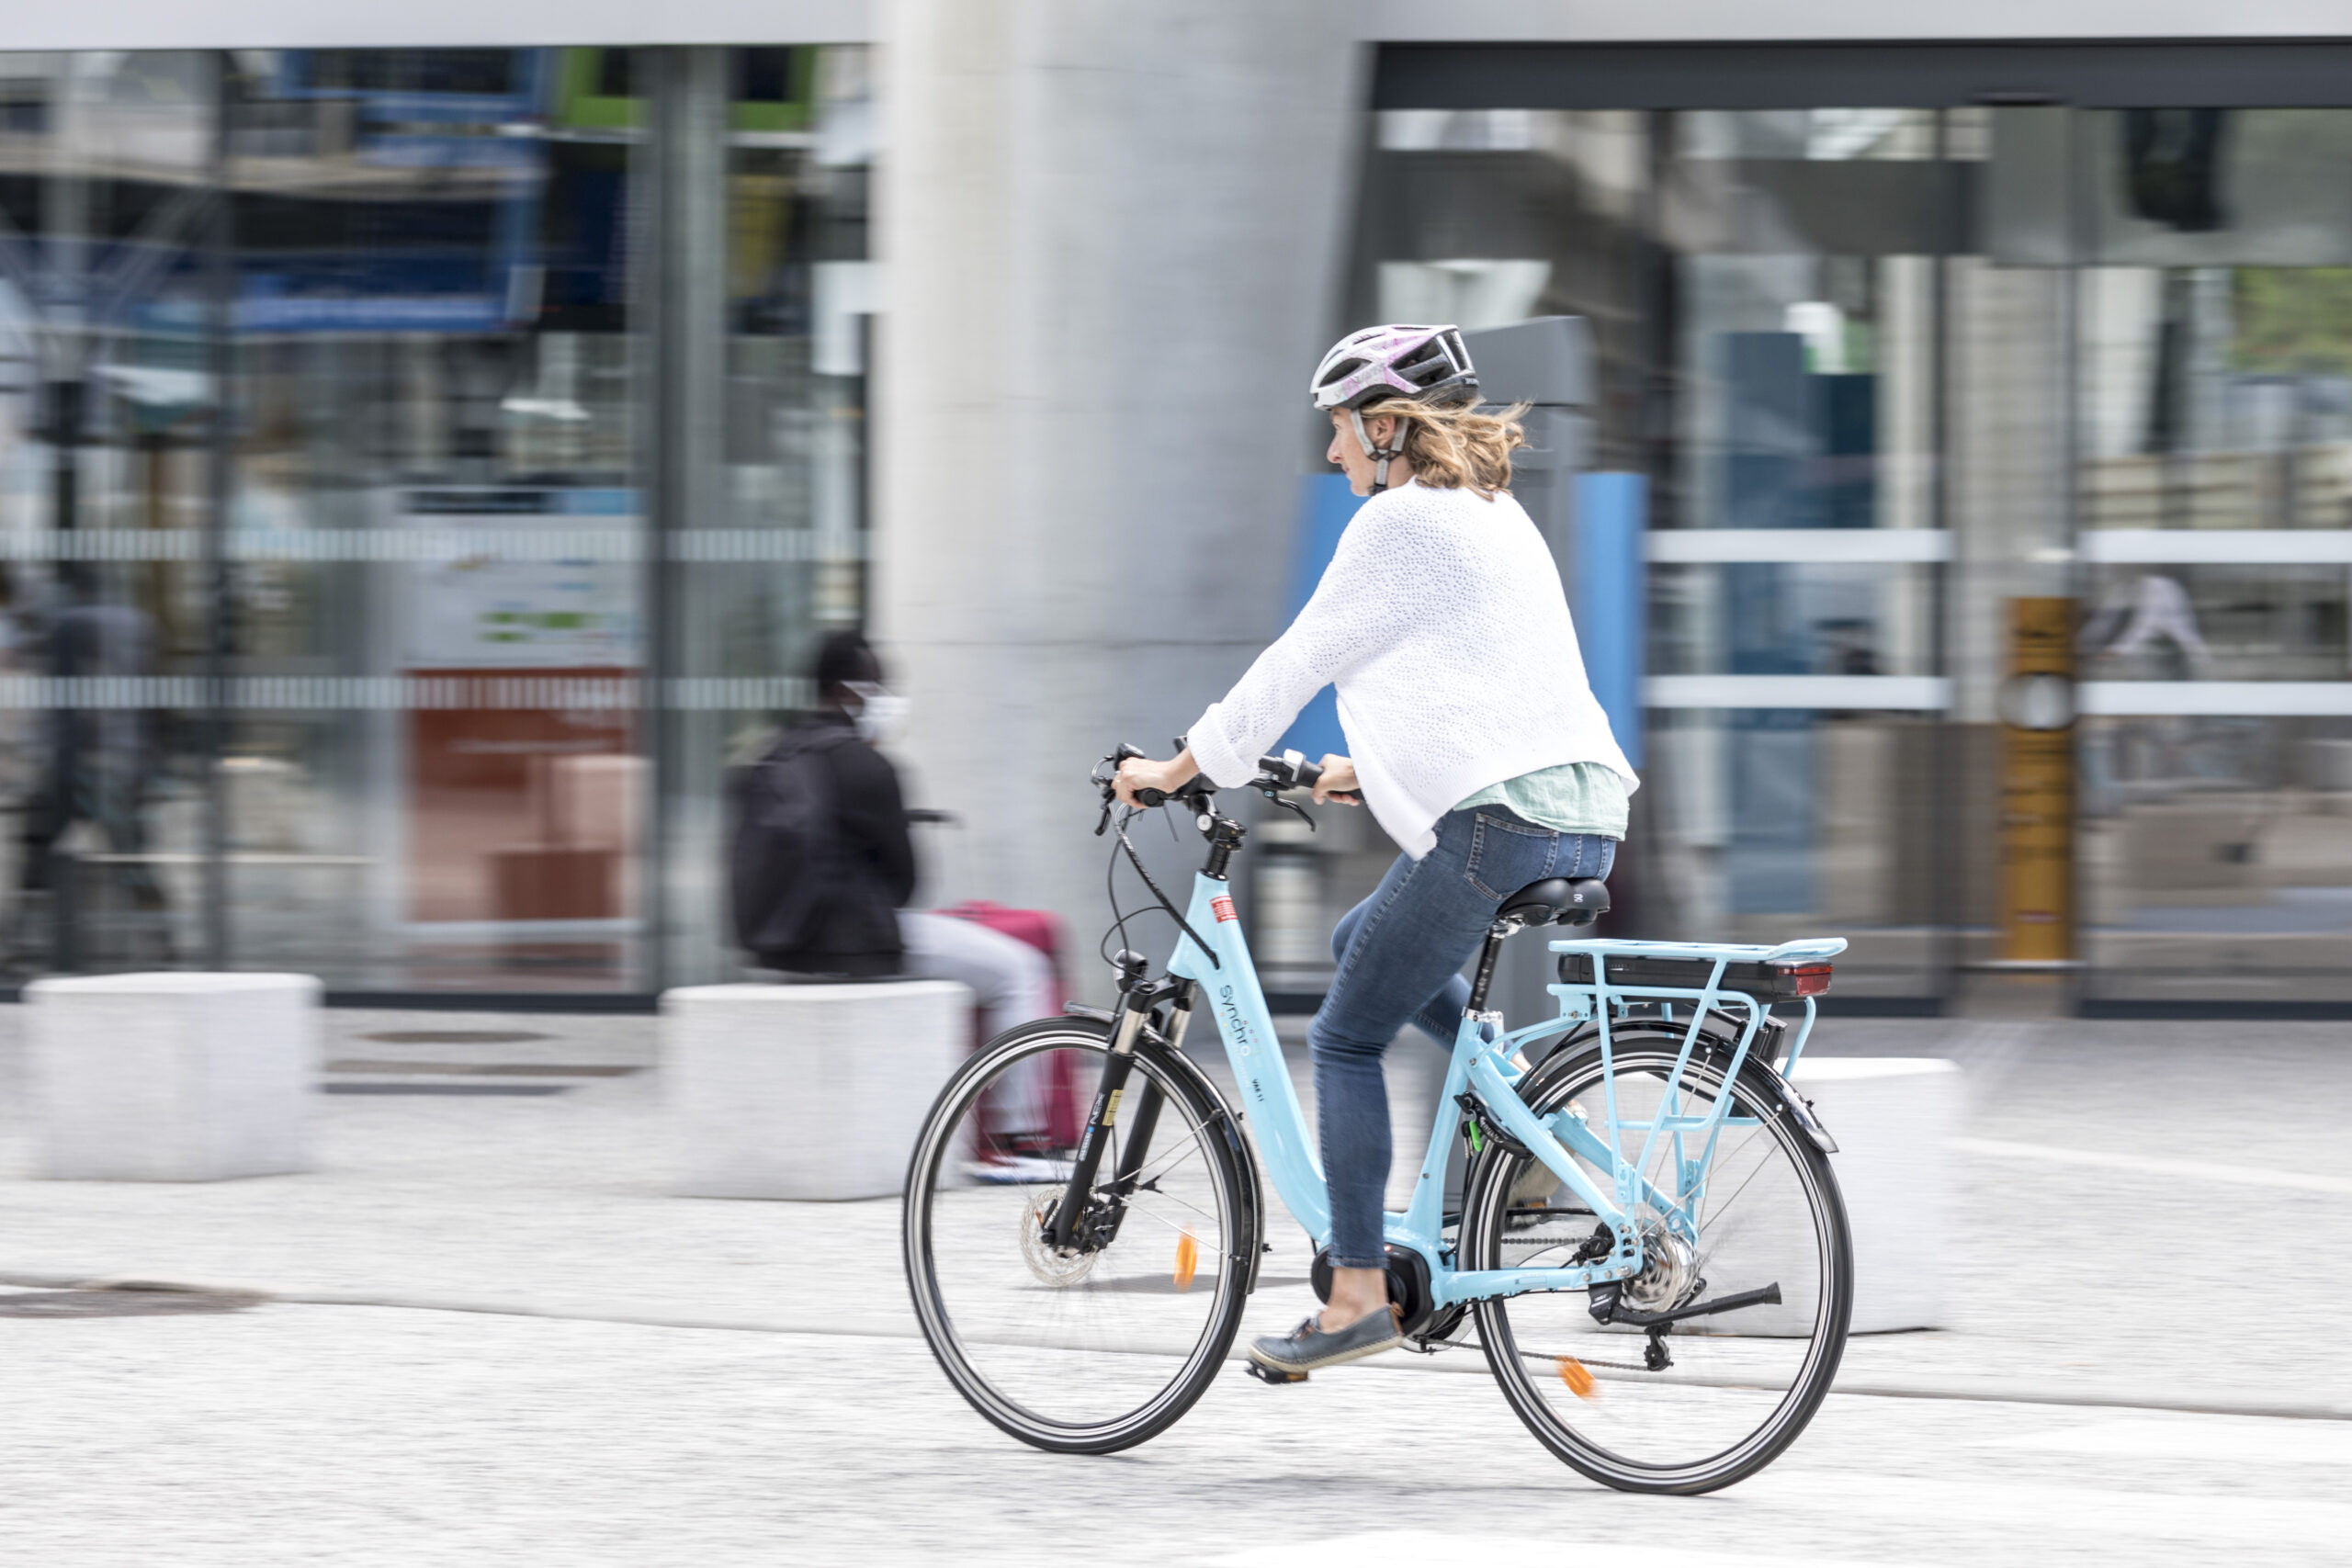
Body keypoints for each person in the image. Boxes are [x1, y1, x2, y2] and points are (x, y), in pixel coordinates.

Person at [1114, 324, 1638, 1376]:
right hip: (1580, 805)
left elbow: (1296, 659)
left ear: (1387, 425)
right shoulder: (1493, 515)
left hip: (1499, 821)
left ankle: (1355, 1294)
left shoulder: (1397, 522)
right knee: (1367, 935)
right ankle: (1520, 1114)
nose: (1332, 454)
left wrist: (1182, 767)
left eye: (1341, 430)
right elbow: (1485, 680)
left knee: (1347, 1035)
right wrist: (1351, 772)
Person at [750, 629, 1059, 1134]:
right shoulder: (867, 764)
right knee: (1020, 971)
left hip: (781, 946)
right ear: (850, 691)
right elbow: (907, 883)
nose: (889, 700)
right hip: (857, 944)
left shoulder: (775, 753)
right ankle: (1018, 1136)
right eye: (880, 685)